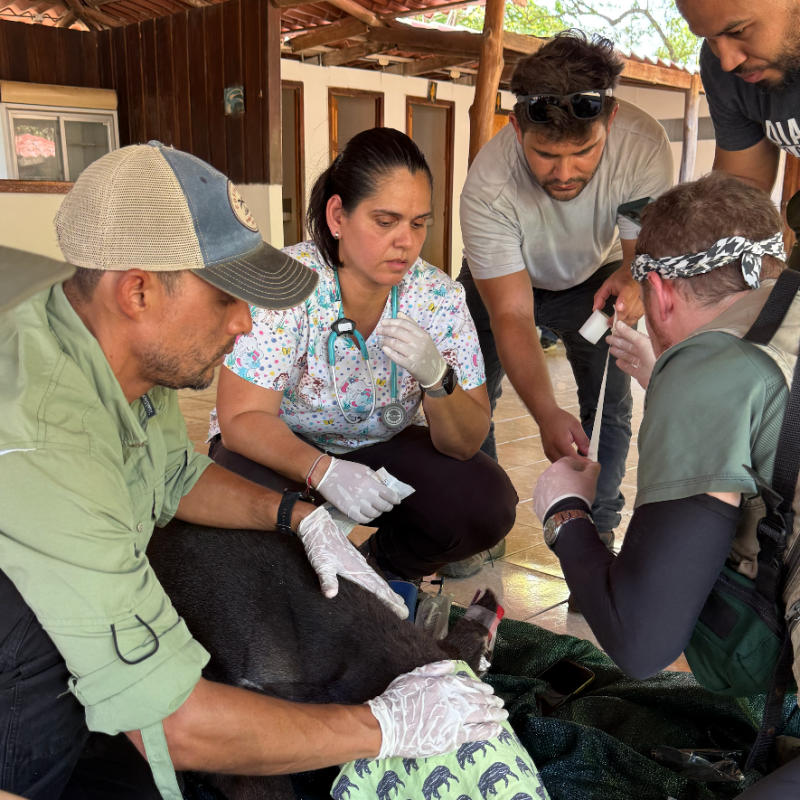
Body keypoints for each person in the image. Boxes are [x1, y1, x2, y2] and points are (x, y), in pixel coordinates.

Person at [0, 142, 507, 800]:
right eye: (225, 299)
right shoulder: (48, 435)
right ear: (138, 290)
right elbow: (172, 722)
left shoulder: (109, 348)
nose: (246, 323)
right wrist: (380, 728)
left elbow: (176, 476)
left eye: (418, 223)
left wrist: (302, 517)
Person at [532, 172, 799, 798]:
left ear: (658, 290)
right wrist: (672, 384)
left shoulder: (708, 373)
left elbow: (641, 638)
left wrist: (565, 515)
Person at [209, 128, 517, 582]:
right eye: (385, 221)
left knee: (485, 503)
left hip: (379, 449)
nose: (406, 242)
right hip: (282, 448)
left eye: (418, 223)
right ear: (338, 216)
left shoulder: (438, 299)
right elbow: (240, 419)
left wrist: (439, 380)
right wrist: (323, 470)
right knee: (247, 511)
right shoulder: (286, 286)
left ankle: (375, 573)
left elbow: (465, 441)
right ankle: (298, 590)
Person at [458, 30, 674, 558]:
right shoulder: (488, 183)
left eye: (583, 152)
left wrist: (633, 278)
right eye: (546, 154)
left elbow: (635, 259)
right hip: (506, 278)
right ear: (516, 128)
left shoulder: (644, 148)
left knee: (611, 401)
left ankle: (597, 529)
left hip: (596, 272)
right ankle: (482, 524)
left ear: (612, 119)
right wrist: (545, 413)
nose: (564, 173)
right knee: (470, 391)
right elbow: (511, 313)